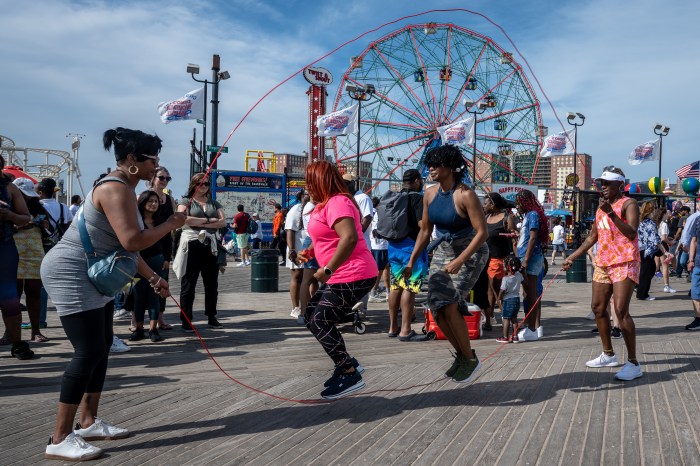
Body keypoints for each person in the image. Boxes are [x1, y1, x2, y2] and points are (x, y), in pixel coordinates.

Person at [41, 127, 186, 460]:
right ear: (133, 160)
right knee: (88, 350)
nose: (157, 167)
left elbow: (127, 251)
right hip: (72, 270)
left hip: (94, 271)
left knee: (102, 345)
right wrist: (170, 224)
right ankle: (59, 437)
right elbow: (132, 241)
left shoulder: (126, 187)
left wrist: (153, 278)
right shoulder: (115, 188)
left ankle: (88, 421)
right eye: (153, 160)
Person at [407, 145, 489, 382]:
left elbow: (482, 233)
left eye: (436, 164)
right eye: (429, 163)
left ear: (451, 167)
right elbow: (425, 231)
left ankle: (470, 359)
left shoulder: (465, 194)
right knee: (437, 307)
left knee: (450, 304)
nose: (430, 168)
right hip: (443, 250)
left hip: (470, 252)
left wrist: (460, 261)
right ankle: (463, 356)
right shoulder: (430, 193)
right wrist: (413, 260)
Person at [298, 160, 377, 399]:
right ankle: (346, 364)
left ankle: (349, 372)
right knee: (311, 316)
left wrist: (328, 269)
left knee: (320, 320)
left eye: (310, 182)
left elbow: (350, 238)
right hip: (343, 274)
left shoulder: (338, 202)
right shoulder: (323, 205)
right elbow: (328, 236)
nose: (307, 187)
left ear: (322, 181)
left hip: (354, 272)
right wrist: (310, 250)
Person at [563, 167, 642, 381]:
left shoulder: (629, 204)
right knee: (598, 308)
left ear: (620, 185)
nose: (603, 187)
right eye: (601, 184)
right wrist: (573, 257)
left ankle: (634, 363)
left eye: (607, 183)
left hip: (625, 260)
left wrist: (610, 213)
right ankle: (608, 354)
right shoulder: (601, 209)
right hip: (604, 262)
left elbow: (632, 232)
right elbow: (591, 239)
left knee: (621, 310)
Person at [174, 173, 227, 331]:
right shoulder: (186, 201)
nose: (203, 187)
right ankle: (186, 319)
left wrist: (201, 222)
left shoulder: (214, 202)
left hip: (210, 245)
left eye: (206, 184)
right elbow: (184, 219)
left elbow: (223, 222)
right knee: (189, 283)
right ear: (193, 185)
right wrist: (211, 221)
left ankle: (212, 316)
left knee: (212, 283)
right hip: (192, 243)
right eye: (200, 184)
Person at [386, 169, 428, 340]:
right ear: (417, 180)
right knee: (410, 288)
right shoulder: (417, 198)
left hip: (393, 247)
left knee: (396, 286)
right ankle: (405, 330)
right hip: (411, 248)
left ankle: (392, 327)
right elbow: (422, 225)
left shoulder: (394, 196)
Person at [0, 156, 33, 358]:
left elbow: (26, 217)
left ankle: (18, 343)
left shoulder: (10, 188)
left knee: (9, 297)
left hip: (4, 247)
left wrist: (10, 216)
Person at [129, 191, 172, 343]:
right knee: (138, 295)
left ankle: (153, 329)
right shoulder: (135, 220)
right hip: (138, 260)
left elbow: (168, 241)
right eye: (150, 201)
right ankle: (139, 328)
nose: (154, 204)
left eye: (156, 201)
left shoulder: (161, 221)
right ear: (142, 202)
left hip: (157, 259)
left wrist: (167, 258)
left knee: (155, 295)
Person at [12, 178, 49, 342]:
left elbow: (48, 230)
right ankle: (11, 333)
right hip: (13, 252)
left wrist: (44, 225)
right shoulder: (7, 207)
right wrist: (19, 225)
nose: (26, 198)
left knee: (34, 292)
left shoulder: (38, 208)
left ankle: (36, 331)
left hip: (34, 252)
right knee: (15, 294)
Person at [37, 177, 73, 328]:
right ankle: (71, 317)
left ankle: (41, 320)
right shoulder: (64, 207)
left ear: (40, 192)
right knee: (64, 283)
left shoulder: (37, 206)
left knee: (41, 284)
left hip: (40, 246)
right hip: (60, 247)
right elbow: (71, 227)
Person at [514, 189, 548, 341]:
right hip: (526, 257)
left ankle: (532, 328)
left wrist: (526, 260)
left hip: (531, 258)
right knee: (527, 294)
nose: (517, 207)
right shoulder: (530, 215)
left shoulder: (533, 215)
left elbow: (533, 238)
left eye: (518, 204)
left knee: (531, 294)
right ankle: (530, 326)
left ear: (525, 202)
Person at [482, 192, 516, 331]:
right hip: (487, 259)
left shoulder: (507, 218)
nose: (483, 205)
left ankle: (506, 319)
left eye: (485, 203)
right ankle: (489, 320)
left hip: (501, 260)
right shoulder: (486, 217)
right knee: (490, 291)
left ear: (493, 204)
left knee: (498, 292)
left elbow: (514, 238)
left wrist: (517, 258)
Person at [343, 174, 374, 314]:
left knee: (361, 276)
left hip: (361, 243)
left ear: (354, 183)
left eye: (347, 183)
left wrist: (356, 234)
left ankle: (362, 307)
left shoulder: (363, 198)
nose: (344, 185)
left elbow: (367, 218)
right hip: (350, 244)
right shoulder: (348, 198)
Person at [150, 166, 176, 330]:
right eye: (161, 177)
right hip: (147, 242)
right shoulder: (143, 197)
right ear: (152, 178)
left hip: (164, 242)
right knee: (140, 285)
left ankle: (160, 318)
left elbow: (171, 226)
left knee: (163, 281)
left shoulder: (170, 200)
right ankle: (135, 320)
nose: (164, 181)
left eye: (167, 178)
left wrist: (168, 256)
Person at [636, 202, 670, 301]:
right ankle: (642, 294)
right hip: (648, 251)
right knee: (647, 272)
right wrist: (665, 251)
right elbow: (656, 240)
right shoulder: (651, 223)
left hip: (641, 249)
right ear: (651, 211)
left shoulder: (641, 221)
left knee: (646, 271)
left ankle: (641, 291)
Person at [285, 190, 308, 318]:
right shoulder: (295, 209)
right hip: (297, 248)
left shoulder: (312, 208)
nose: (308, 197)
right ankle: (295, 308)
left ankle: (308, 305)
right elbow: (289, 230)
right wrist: (292, 249)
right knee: (297, 276)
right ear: (301, 197)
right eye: (306, 195)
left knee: (310, 277)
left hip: (309, 249)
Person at [298, 199, 319, 325]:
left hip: (313, 241)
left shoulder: (309, 206)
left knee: (314, 280)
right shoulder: (311, 207)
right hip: (313, 241)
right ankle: (303, 312)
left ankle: (311, 310)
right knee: (307, 279)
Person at [496, 255, 524, 343]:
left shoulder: (505, 279)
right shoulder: (519, 275)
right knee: (514, 319)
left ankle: (505, 337)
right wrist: (524, 272)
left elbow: (502, 291)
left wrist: (499, 299)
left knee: (506, 319)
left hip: (508, 300)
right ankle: (515, 336)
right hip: (517, 299)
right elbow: (525, 282)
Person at [369, 196, 390, 303]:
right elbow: (375, 232)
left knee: (386, 269)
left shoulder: (381, 212)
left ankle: (388, 292)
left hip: (384, 246)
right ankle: (373, 292)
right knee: (379, 270)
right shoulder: (377, 213)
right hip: (379, 246)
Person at [657, 208, 676, 293]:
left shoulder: (657, 223)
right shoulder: (664, 224)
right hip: (663, 245)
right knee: (665, 266)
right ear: (663, 214)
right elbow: (663, 238)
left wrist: (668, 238)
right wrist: (670, 242)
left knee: (655, 266)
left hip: (656, 244)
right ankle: (666, 285)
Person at [686, 222, 700, 330]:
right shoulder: (698, 221)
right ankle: (698, 320)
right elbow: (693, 241)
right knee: (695, 292)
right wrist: (691, 260)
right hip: (698, 263)